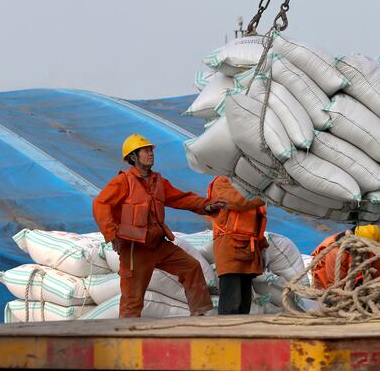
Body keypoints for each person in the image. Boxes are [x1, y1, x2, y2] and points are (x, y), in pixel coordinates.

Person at [92, 134, 225, 318]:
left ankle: (200, 315)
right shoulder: (123, 181)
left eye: (151, 150)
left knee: (191, 266)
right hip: (135, 249)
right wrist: (111, 233)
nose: (150, 153)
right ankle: (125, 338)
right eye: (145, 151)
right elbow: (101, 204)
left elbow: (181, 198)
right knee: (133, 298)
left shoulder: (157, 181)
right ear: (133, 157)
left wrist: (206, 205)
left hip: (158, 244)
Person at [207, 176, 268, 315]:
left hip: (248, 250)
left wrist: (263, 246)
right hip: (229, 248)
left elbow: (256, 223)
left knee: (244, 303)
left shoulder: (251, 187)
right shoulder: (222, 182)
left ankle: (240, 334)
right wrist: (266, 197)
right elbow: (238, 202)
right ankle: (226, 335)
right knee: (231, 303)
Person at [311, 224, 380, 290]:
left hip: (354, 282)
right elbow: (334, 286)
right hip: (326, 282)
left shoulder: (371, 247)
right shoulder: (335, 252)